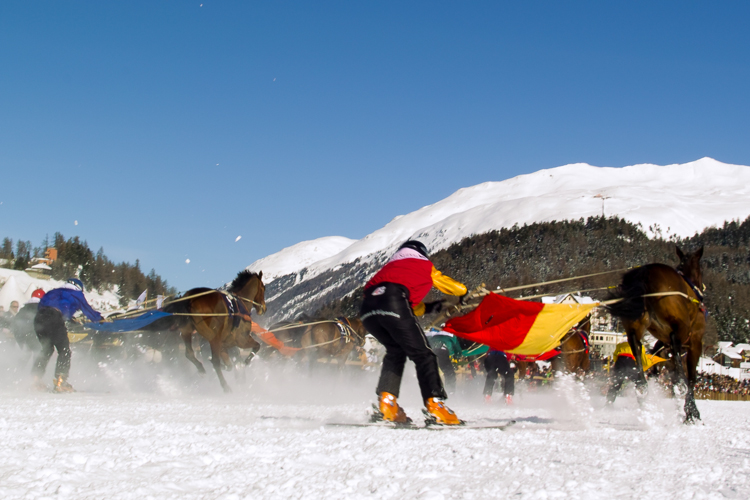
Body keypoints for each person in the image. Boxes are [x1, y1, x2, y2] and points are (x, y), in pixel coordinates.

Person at [359, 240, 467, 425]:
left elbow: (404, 307)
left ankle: (387, 404)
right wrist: (463, 292)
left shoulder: (389, 267)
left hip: (367, 309)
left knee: (395, 351)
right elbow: (454, 287)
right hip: (394, 300)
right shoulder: (423, 264)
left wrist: (430, 307)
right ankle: (436, 406)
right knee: (424, 354)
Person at [33, 278, 102, 392]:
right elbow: (88, 312)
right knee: (64, 350)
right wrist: (99, 318)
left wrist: (68, 318)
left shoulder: (53, 291)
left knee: (47, 349)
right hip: (54, 318)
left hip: (39, 319)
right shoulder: (76, 294)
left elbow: (48, 307)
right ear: (79, 288)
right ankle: (61, 381)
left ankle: (35, 379)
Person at [425, 329, 463, 394]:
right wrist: (456, 356)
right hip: (442, 352)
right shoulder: (451, 335)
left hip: (429, 353)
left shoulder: (428, 334)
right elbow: (458, 353)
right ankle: (450, 392)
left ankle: (429, 391)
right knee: (449, 373)